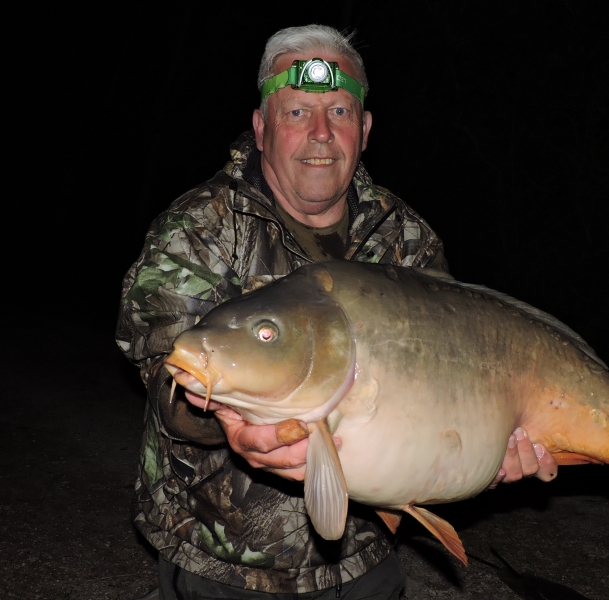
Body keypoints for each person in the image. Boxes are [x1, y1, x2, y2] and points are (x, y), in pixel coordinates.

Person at [117, 24, 557, 600]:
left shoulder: (406, 239)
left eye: (340, 112)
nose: (320, 134)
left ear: (365, 129)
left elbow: (452, 396)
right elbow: (165, 376)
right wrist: (224, 422)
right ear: (261, 126)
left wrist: (492, 447)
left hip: (363, 557)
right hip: (223, 562)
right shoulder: (197, 228)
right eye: (297, 112)